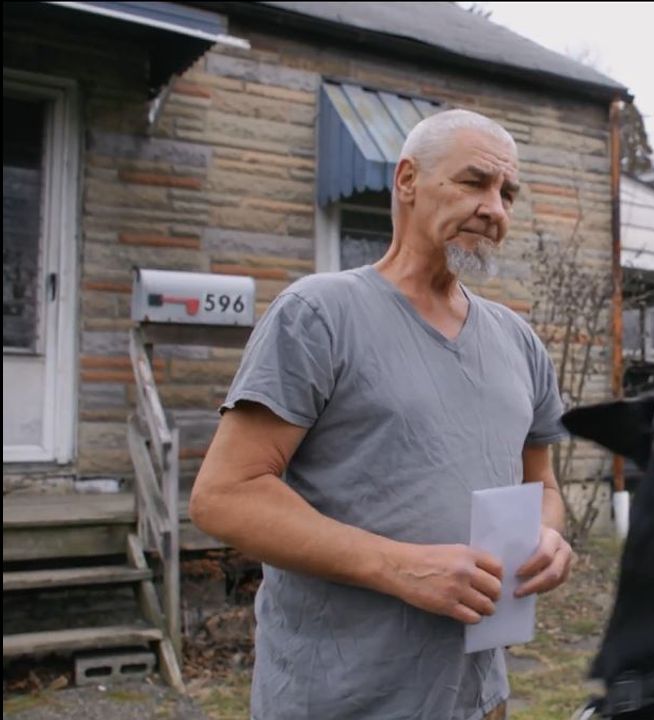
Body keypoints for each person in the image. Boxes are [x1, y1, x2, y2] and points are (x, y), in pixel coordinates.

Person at [189, 108, 575, 720]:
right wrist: (402, 567)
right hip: (339, 698)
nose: (494, 209)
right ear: (407, 180)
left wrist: (547, 538)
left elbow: (543, 486)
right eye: (474, 182)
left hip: (476, 696)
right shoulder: (319, 314)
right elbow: (224, 496)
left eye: (507, 194)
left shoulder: (518, 341)